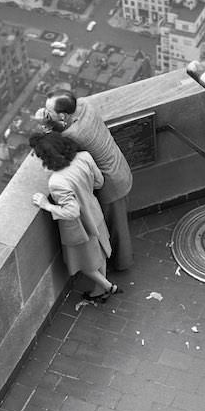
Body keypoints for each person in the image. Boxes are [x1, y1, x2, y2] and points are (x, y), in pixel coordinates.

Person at [35, 89, 134, 271]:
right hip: (119, 166)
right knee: (119, 222)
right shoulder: (85, 105)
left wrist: (45, 124)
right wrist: (53, 119)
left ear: (63, 115)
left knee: (117, 227)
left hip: (111, 183)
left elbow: (54, 144)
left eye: (50, 111)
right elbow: (66, 125)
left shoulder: (72, 135)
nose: (46, 111)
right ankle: (119, 259)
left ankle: (122, 263)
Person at [28, 132, 120, 304]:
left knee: (84, 262)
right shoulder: (84, 157)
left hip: (79, 227)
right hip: (94, 212)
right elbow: (98, 182)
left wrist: (46, 205)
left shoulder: (57, 181)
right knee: (99, 255)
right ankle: (101, 289)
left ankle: (106, 286)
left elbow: (72, 212)